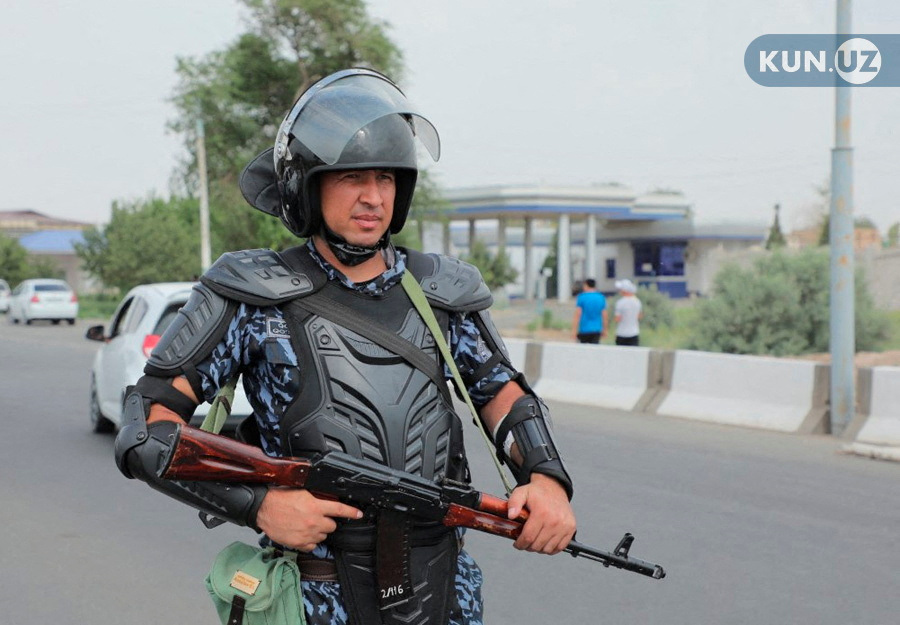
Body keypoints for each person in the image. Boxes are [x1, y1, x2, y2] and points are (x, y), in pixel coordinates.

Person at [113, 69, 575, 625]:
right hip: (312, 598)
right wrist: (261, 506)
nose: (373, 197)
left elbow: (502, 392)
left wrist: (545, 478)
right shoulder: (251, 293)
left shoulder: (441, 292)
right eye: (351, 176)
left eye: (386, 177)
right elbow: (147, 429)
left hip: (445, 593)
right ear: (306, 183)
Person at [571, 278, 607, 344]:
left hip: (584, 329)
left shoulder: (581, 297)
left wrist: (574, 331)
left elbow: (578, 314)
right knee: (594, 351)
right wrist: (605, 329)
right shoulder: (601, 297)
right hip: (597, 329)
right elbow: (604, 315)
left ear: (586, 285)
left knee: (584, 351)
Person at [613, 279, 643, 346]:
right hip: (634, 332)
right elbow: (639, 316)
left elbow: (617, 318)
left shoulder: (620, 302)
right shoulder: (637, 301)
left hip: (621, 333)